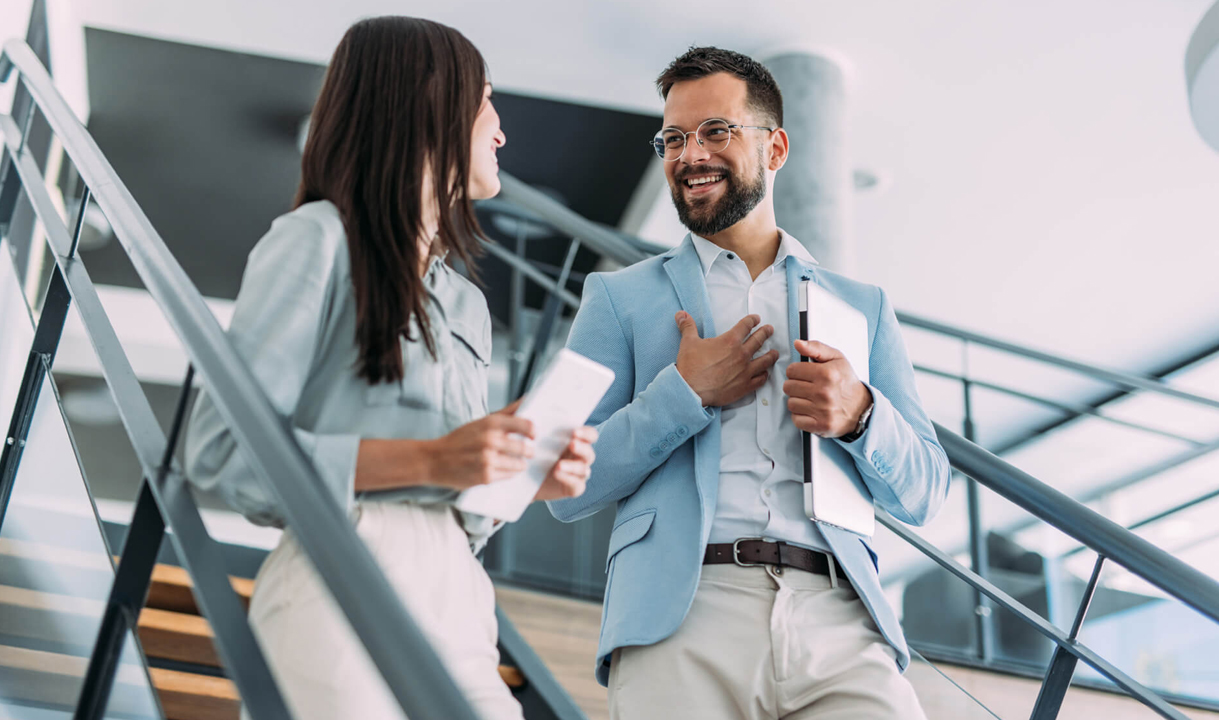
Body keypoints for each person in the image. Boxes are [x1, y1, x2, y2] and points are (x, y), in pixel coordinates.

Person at [184, 16, 597, 720]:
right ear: (432, 102)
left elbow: (458, 500)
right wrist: (433, 459)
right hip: (343, 572)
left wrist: (516, 476)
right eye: (487, 101)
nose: (500, 131)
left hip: (461, 596)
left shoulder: (465, 302)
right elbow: (222, 454)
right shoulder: (314, 241)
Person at [548, 47, 949, 719]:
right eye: (672, 138)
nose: (688, 154)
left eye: (715, 131)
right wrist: (685, 394)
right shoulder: (616, 298)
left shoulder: (863, 306)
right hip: (679, 616)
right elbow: (564, 484)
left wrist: (859, 415)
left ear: (777, 147)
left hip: (840, 621)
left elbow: (927, 491)